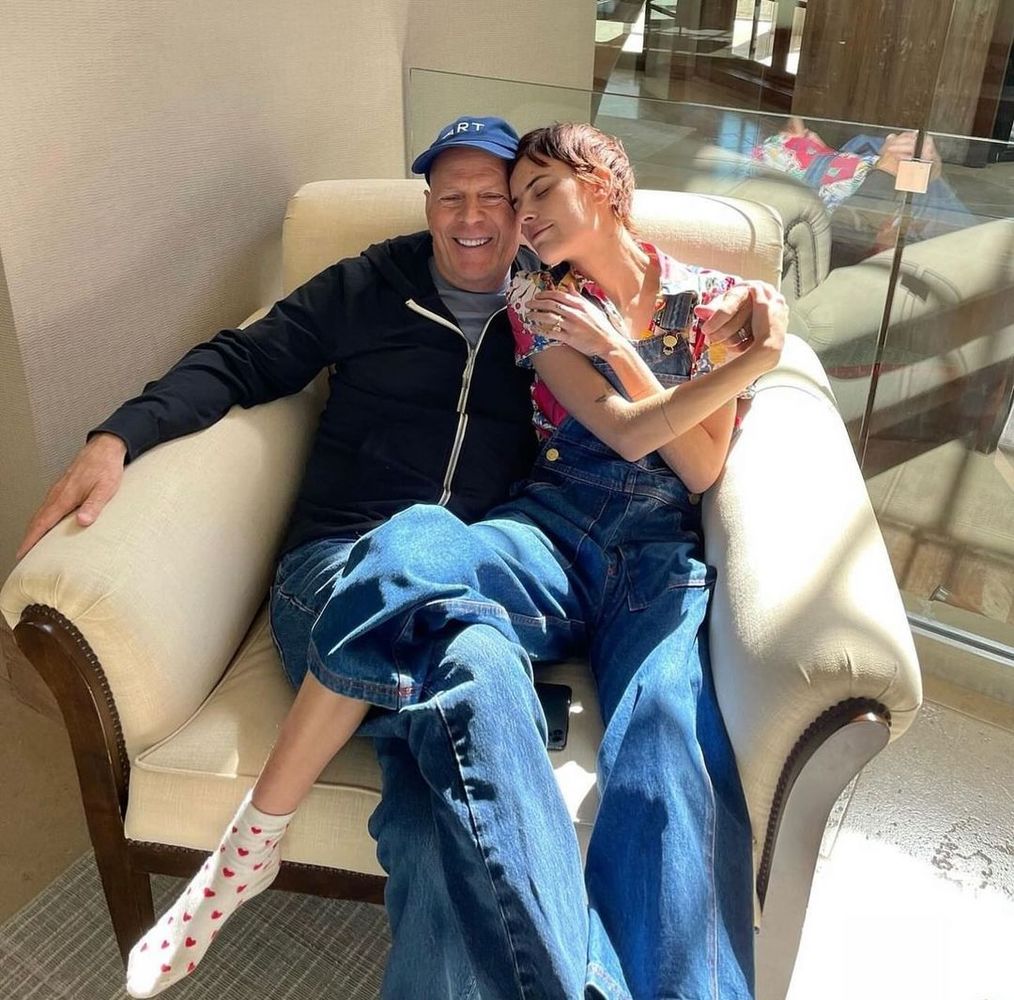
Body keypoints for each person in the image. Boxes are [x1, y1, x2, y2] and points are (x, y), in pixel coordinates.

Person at [18, 115, 783, 1000]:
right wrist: (119, 435)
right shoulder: (388, 289)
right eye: (452, 198)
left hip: (515, 571)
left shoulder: (573, 300)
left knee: (442, 822)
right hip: (349, 568)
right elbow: (242, 358)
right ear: (426, 206)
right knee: (468, 645)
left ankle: (250, 844)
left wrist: (742, 340)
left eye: (503, 198)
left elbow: (692, 439)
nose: (478, 217)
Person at [751, 117, 971, 268]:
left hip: (856, 192)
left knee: (869, 146)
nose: (803, 131)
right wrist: (886, 174)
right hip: (858, 213)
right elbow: (840, 243)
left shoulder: (859, 148)